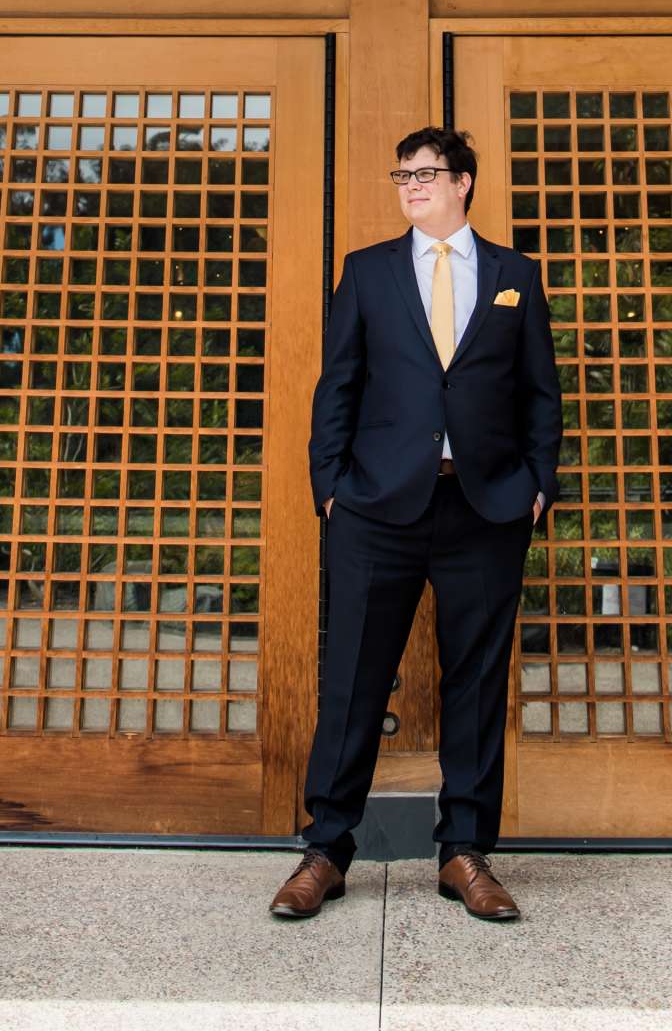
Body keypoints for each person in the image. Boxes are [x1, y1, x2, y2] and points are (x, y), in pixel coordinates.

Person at [268, 125, 563, 925]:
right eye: (403, 174)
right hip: (376, 509)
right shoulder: (366, 272)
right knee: (353, 682)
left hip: (486, 508)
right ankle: (325, 850)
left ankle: (465, 853)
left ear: (464, 181)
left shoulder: (514, 276)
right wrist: (329, 486)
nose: (412, 185)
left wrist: (539, 485)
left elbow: (540, 393)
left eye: (427, 173)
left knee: (474, 686)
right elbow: (339, 388)